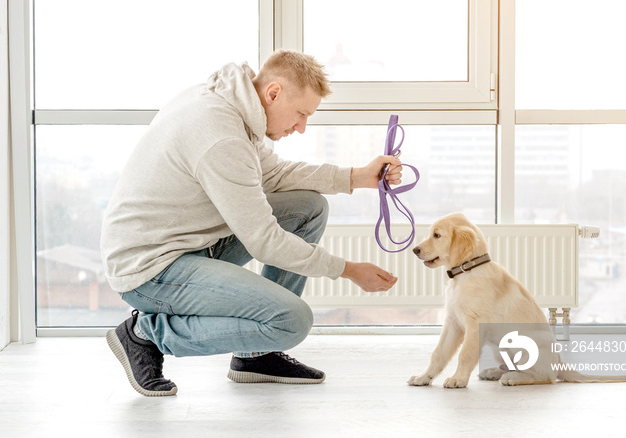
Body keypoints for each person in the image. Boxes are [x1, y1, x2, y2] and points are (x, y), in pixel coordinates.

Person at [101, 49, 402, 397]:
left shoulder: (232, 106)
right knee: (293, 321)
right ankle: (147, 335)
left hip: (191, 245)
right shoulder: (220, 134)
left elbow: (272, 173)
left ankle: (256, 356)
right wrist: (347, 270)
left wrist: (357, 177)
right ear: (273, 93)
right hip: (150, 270)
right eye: (301, 114)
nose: (302, 127)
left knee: (309, 207)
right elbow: (265, 241)